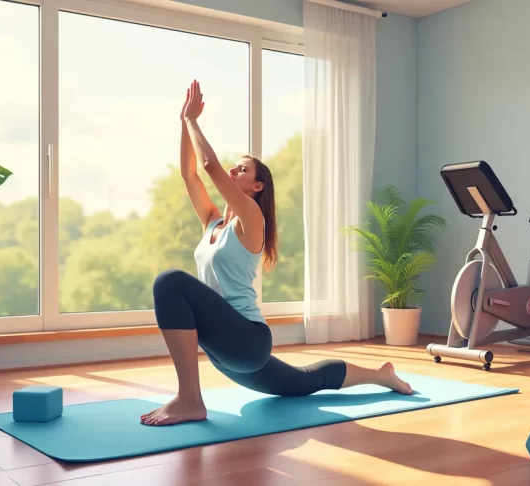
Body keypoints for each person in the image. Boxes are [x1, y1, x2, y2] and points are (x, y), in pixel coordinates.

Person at [140, 80, 413, 427]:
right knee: (305, 380)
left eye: (243, 169)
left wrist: (195, 121)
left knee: (169, 283)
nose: (234, 170)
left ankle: (190, 399)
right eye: (235, 166)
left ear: (258, 186)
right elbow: (189, 173)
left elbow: (209, 165)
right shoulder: (213, 222)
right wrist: (183, 121)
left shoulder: (252, 220)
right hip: (226, 351)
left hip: (248, 341)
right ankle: (381, 375)